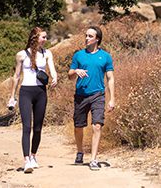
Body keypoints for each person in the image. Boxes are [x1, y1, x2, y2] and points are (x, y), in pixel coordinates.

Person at [8, 26, 58, 173]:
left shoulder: (47, 53)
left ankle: (33, 155)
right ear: (35, 38)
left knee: (37, 128)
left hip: (41, 92)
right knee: (27, 127)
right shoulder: (21, 55)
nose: (45, 39)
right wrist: (12, 96)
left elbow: (52, 69)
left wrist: (55, 77)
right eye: (43, 37)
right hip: (26, 92)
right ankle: (26, 161)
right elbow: (16, 76)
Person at [69, 26, 115, 171]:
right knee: (78, 127)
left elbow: (110, 78)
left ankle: (94, 159)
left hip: (98, 95)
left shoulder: (106, 57)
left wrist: (112, 98)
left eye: (90, 36)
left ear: (97, 39)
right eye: (86, 35)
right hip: (81, 96)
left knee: (97, 125)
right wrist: (76, 71)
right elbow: (69, 75)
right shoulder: (78, 55)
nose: (86, 38)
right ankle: (80, 151)